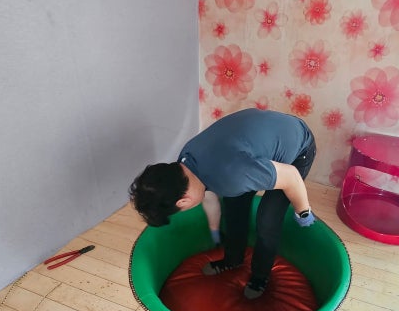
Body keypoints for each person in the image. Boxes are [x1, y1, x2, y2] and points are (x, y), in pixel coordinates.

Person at [128, 108, 317, 299]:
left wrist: (303, 211)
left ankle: (260, 277)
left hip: (298, 147)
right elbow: (208, 197)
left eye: (181, 209)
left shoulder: (232, 175)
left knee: (268, 220)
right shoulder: (185, 163)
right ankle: (233, 259)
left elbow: (291, 177)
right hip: (256, 143)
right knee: (233, 205)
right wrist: (214, 229)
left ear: (183, 200)